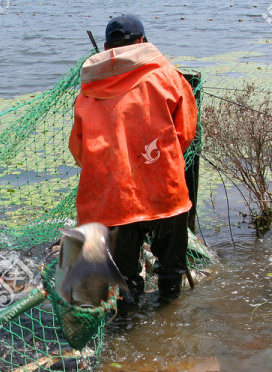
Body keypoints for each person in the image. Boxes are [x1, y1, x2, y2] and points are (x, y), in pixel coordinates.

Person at [68, 14, 198, 310]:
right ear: (143, 41)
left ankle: (128, 330)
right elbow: (185, 133)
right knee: (172, 269)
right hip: (166, 193)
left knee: (125, 277)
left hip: (114, 202)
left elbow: (79, 151)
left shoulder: (87, 94)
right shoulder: (169, 77)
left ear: (105, 46)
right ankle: (170, 318)